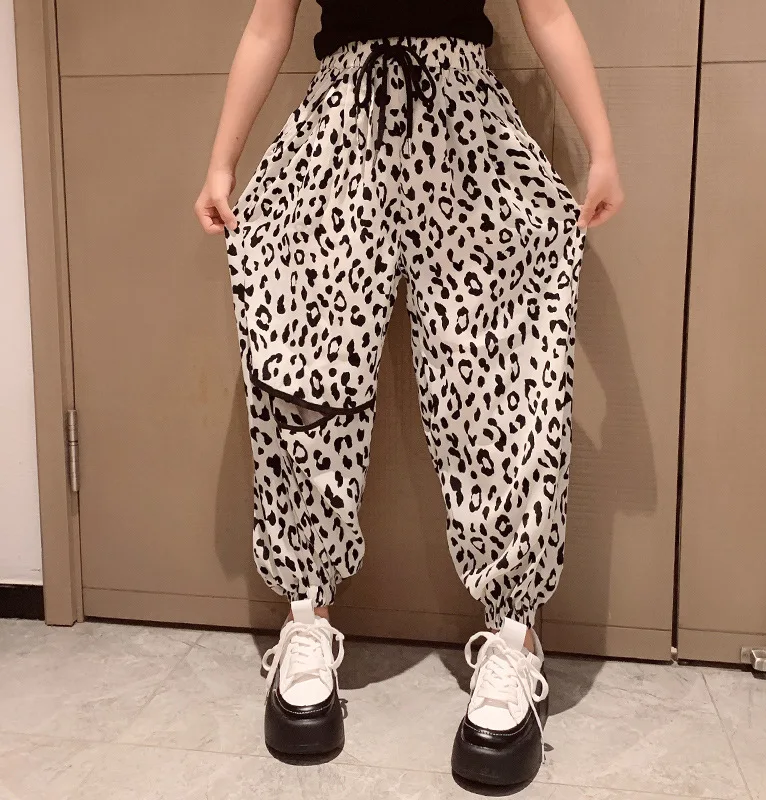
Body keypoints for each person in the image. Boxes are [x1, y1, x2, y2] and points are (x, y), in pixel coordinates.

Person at [195, 0, 623, 787]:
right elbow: (267, 24)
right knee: (304, 374)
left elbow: (548, 13)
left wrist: (601, 147)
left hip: (467, 130)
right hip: (337, 132)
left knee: (499, 382)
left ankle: (515, 636)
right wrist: (223, 163)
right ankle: (306, 619)